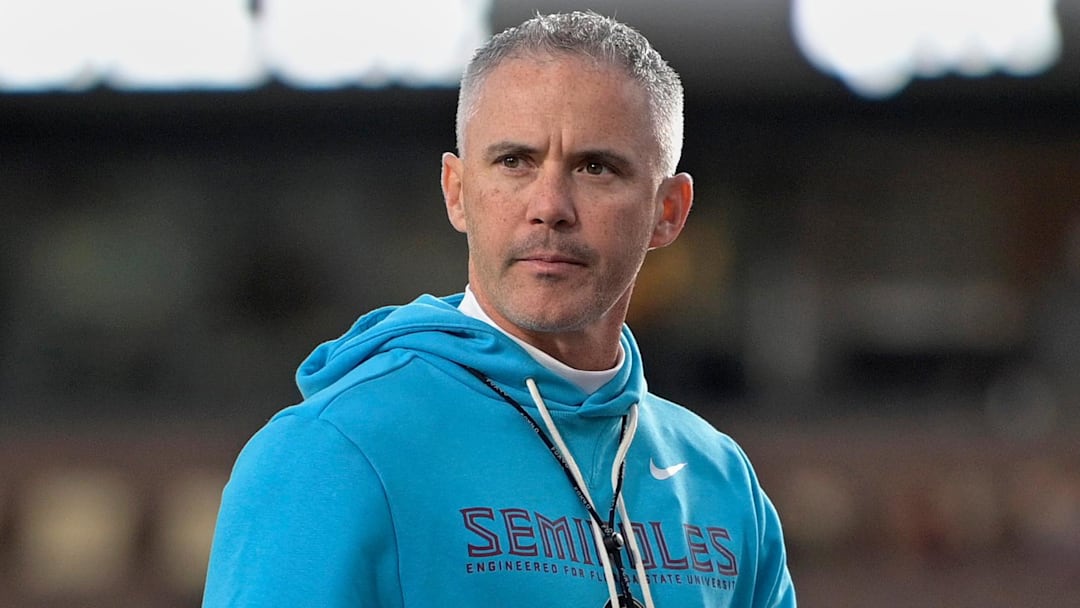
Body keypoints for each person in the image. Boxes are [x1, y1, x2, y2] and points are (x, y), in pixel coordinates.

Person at [203, 11, 796, 608]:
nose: (549, 206)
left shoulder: (721, 484)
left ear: (668, 210)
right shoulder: (331, 454)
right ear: (457, 192)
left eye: (596, 167)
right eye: (514, 161)